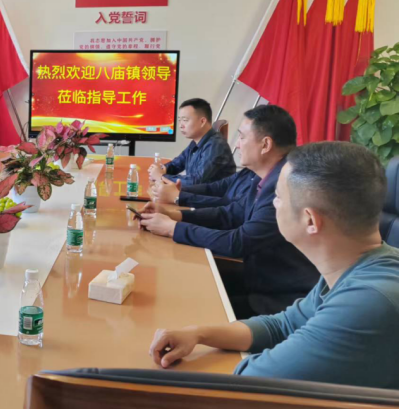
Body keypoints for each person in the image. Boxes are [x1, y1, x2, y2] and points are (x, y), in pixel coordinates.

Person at [149, 142, 398, 390]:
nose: (272, 204)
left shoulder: (367, 302)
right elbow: (283, 325)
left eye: (277, 197)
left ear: (310, 220)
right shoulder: (361, 266)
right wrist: (199, 333)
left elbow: (251, 381)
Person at [139, 105, 318, 317]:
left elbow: (238, 242)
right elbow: (231, 213)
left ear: (265, 144)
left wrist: (173, 229)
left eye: (242, 137)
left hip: (277, 300)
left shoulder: (284, 185)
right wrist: (175, 215)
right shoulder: (263, 175)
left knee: (182, 304)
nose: (236, 144)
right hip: (258, 281)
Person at [149, 98, 236, 186]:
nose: (181, 125)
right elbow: (177, 164)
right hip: (197, 193)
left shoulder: (216, 145)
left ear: (202, 121)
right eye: (179, 120)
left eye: (185, 120)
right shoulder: (196, 142)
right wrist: (163, 169)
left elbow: (196, 181)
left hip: (213, 194)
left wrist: (161, 176)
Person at [150, 168, 260, 209]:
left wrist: (178, 196)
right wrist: (177, 190)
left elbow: (228, 208)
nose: (237, 144)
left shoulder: (215, 147)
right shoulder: (248, 172)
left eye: (242, 137)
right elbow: (213, 188)